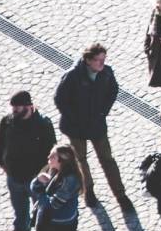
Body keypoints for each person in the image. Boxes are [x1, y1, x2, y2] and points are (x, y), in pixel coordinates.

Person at [53, 42, 134, 212]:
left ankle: (120, 194)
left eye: (103, 60)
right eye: (98, 60)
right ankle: (88, 190)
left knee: (107, 159)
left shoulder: (106, 72)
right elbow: (60, 99)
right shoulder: (73, 76)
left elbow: (113, 90)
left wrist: (103, 112)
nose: (102, 64)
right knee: (80, 159)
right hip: (76, 128)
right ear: (88, 60)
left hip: (96, 124)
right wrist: (74, 118)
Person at [0, 90, 56, 231]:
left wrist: (45, 173)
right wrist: (1, 162)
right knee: (19, 206)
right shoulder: (8, 122)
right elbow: (0, 143)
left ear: (28, 107)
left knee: (40, 209)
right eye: (13, 109)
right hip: (14, 174)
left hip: (35, 176)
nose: (13, 112)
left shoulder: (43, 124)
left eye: (17, 109)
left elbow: (51, 150)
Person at [29, 145, 83, 231]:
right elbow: (34, 189)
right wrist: (38, 180)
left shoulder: (70, 180)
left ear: (61, 160)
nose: (49, 157)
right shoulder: (51, 169)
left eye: (53, 155)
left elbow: (54, 204)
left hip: (62, 224)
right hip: (48, 220)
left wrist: (41, 195)